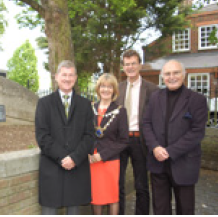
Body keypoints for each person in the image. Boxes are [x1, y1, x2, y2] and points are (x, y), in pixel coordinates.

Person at [143, 60, 208, 215]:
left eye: (176, 72)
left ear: (183, 75)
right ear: (162, 76)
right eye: (167, 73)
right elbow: (146, 123)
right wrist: (155, 147)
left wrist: (170, 151)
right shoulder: (154, 97)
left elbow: (197, 132)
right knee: (160, 209)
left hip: (184, 164)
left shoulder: (197, 100)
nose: (171, 77)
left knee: (185, 209)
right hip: (157, 164)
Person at [35, 60, 95, 215]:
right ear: (56, 77)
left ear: (75, 78)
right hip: (52, 167)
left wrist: (74, 158)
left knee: (74, 211)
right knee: (49, 211)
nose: (67, 79)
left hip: (77, 168)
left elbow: (89, 136)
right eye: (64, 75)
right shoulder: (44, 103)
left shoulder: (85, 105)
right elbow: (42, 136)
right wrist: (63, 157)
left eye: (70, 75)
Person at [117, 49, 158, 215]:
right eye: (127, 64)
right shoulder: (118, 88)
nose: (130, 67)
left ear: (139, 65)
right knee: (117, 183)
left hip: (140, 140)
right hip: (120, 141)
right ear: (123, 67)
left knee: (141, 184)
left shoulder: (152, 89)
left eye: (133, 63)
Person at [89, 74, 129, 215]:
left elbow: (124, 140)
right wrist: (89, 153)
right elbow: (85, 134)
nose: (106, 90)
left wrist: (102, 155)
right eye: (103, 86)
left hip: (110, 160)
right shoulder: (90, 108)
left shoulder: (120, 110)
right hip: (92, 160)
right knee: (96, 196)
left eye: (109, 87)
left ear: (114, 90)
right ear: (98, 89)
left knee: (112, 196)